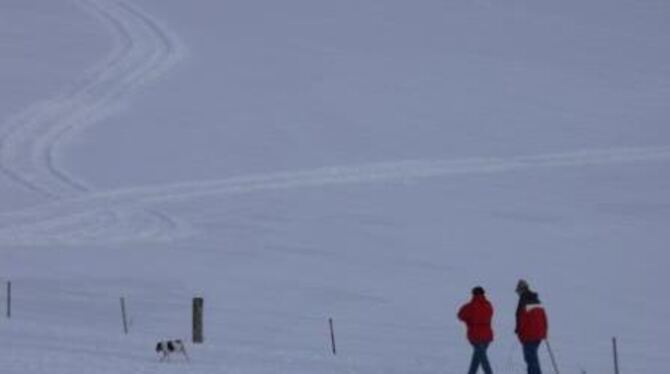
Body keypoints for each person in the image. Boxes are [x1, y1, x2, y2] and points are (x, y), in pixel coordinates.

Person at [458, 286, 494, 374]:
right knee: (477, 359)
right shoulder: (488, 305)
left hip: (476, 337)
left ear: (473, 294)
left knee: (483, 360)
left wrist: (468, 321)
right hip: (487, 337)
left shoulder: (470, 306)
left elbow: (460, 315)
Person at [515, 280, 548, 374]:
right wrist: (544, 332)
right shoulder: (537, 300)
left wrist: (519, 332)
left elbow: (521, 319)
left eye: (518, 291)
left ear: (522, 290)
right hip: (538, 335)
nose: (518, 293)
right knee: (532, 359)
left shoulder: (523, 301)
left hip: (529, 335)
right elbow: (544, 318)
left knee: (531, 360)